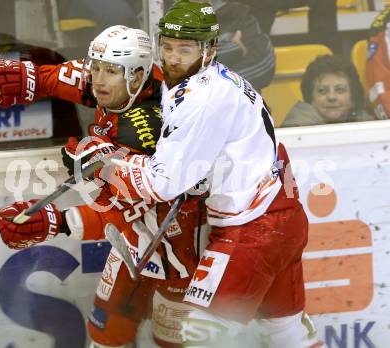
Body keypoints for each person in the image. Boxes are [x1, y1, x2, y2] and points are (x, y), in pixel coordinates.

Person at [90, 1, 324, 347]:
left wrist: (108, 164)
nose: (172, 58)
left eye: (184, 50)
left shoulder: (204, 98)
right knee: (286, 333)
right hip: (282, 219)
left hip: (252, 231)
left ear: (209, 49)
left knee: (199, 337)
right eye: (167, 48)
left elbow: (162, 183)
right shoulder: (212, 80)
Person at [0, 25, 207, 348]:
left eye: (109, 71)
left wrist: (60, 218)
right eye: (97, 66)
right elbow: (76, 77)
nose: (98, 78)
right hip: (136, 238)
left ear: (137, 77)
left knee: (175, 342)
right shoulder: (128, 80)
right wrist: (33, 80)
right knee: (105, 332)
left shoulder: (148, 133)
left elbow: (127, 211)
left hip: (182, 249)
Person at [282, 54, 375, 127]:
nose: (331, 97)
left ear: (353, 96)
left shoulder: (367, 123)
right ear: (310, 97)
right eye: (322, 91)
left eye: (340, 90)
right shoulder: (297, 126)